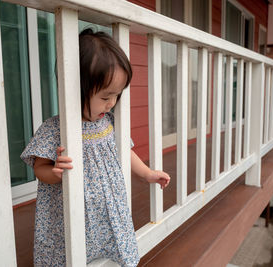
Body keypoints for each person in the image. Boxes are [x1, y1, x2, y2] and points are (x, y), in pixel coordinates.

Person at [20, 28, 170, 267]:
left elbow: (125, 152)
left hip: (107, 210)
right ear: (75, 89)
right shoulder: (55, 128)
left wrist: (148, 173)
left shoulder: (108, 122)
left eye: (117, 96)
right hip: (70, 214)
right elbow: (40, 168)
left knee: (109, 252)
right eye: (105, 97)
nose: (111, 104)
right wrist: (54, 172)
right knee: (71, 253)